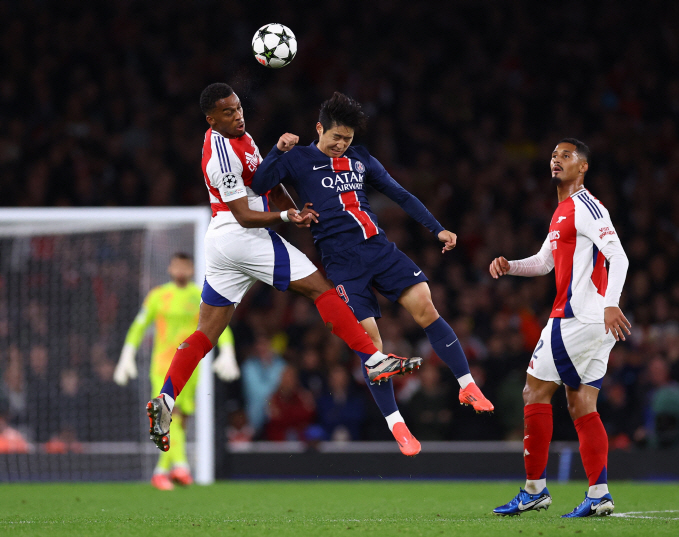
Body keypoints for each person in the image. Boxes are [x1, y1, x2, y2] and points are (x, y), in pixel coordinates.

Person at [146, 83, 420, 455]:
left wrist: (296, 209)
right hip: (239, 234)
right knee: (320, 289)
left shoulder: (243, 137)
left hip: (222, 246)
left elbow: (269, 183)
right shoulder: (219, 154)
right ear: (211, 119)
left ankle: (165, 398)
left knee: (206, 332)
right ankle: (373, 358)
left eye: (238, 107)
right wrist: (286, 215)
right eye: (227, 112)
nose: (237, 115)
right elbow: (244, 216)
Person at [252, 92, 494, 456]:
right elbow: (258, 184)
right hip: (342, 262)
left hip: (379, 249)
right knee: (372, 345)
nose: (341, 144)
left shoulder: (361, 159)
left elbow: (400, 194)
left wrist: (437, 229)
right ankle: (397, 425)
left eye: (347, 139)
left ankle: (466, 384)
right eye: (336, 137)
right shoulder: (298, 159)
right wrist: (277, 149)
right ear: (319, 129)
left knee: (427, 307)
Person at [488, 139, 630, 518]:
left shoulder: (586, 207)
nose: (556, 160)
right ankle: (599, 494)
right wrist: (510, 266)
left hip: (576, 317)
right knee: (581, 402)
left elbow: (620, 257)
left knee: (533, 391)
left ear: (583, 166)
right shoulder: (562, 211)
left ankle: (534, 490)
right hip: (593, 321)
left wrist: (612, 304)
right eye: (553, 155)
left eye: (566, 155)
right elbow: (544, 262)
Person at [115, 252, 239, 490]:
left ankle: (160, 471)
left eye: (185, 266)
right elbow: (139, 326)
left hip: (191, 367)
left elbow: (216, 324)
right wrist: (127, 355)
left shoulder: (200, 295)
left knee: (180, 422)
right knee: (171, 414)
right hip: (162, 365)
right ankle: (181, 466)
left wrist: (227, 351)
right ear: (170, 269)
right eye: (177, 266)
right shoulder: (158, 296)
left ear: (191, 269)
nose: (181, 270)